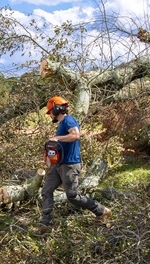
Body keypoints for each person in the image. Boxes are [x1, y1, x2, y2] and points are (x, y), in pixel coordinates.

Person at [38, 96, 110, 231]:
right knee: (46, 190)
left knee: (72, 196)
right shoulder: (62, 124)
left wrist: (56, 138)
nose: (50, 115)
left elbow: (76, 135)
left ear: (57, 109)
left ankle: (101, 211)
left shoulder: (68, 120)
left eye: (50, 112)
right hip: (59, 165)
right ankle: (45, 224)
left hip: (70, 165)